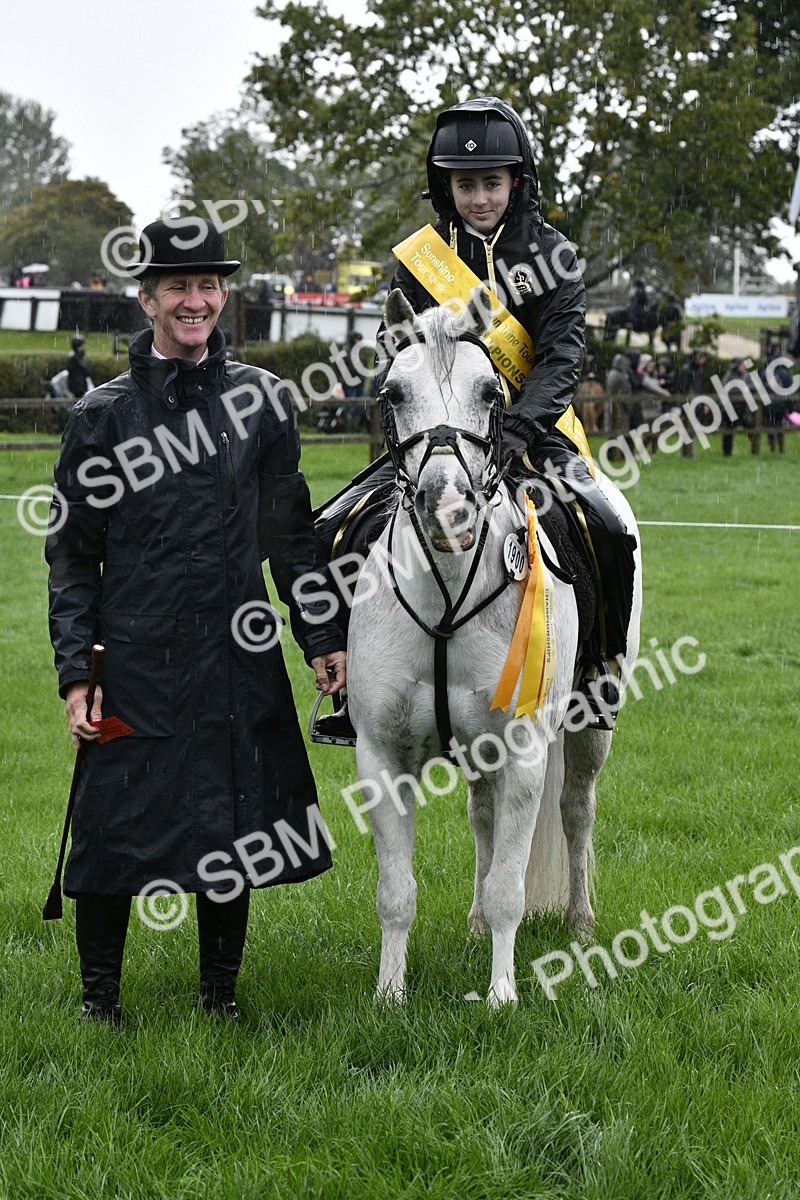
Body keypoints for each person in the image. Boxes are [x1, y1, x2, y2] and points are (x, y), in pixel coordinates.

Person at [45, 218, 346, 1026]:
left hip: (235, 653)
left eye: (209, 285)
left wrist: (321, 634)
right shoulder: (100, 419)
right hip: (131, 660)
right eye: (177, 285)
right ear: (146, 298)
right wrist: (76, 676)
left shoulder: (262, 403)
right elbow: (72, 560)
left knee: (230, 819)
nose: (195, 300)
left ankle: (221, 996)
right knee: (111, 826)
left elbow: (290, 537)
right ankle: (98, 1002)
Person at [314, 96, 637, 740]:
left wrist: (519, 427)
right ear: (447, 187)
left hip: (532, 434)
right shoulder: (420, 259)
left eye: (492, 182)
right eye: (466, 185)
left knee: (605, 529)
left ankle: (592, 670)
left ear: (516, 181)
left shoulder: (554, 256)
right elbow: (395, 355)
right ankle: (356, 688)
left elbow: (561, 359)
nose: (480, 198)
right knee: (335, 530)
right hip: (435, 439)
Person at [67, 335, 92, 399]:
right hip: (78, 386)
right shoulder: (75, 357)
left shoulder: (77, 355)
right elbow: (84, 369)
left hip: (80, 384)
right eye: (81, 345)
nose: (83, 347)